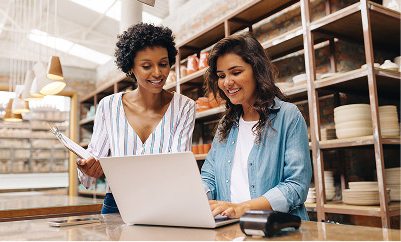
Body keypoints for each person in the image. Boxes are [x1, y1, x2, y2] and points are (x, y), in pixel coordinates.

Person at [77, 23, 196, 214]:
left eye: (163, 64)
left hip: (166, 202)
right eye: (147, 66)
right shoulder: (108, 106)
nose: (157, 73)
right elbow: (93, 159)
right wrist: (86, 167)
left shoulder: (185, 107)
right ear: (131, 67)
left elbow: (179, 165)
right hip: (117, 203)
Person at [201, 33, 311, 220]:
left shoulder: (288, 116)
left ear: (257, 71)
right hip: (231, 229)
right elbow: (209, 177)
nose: (227, 82)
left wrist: (242, 208)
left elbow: (295, 186)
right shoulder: (225, 126)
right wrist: (191, 198)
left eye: (236, 72)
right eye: (221, 75)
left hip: (276, 230)